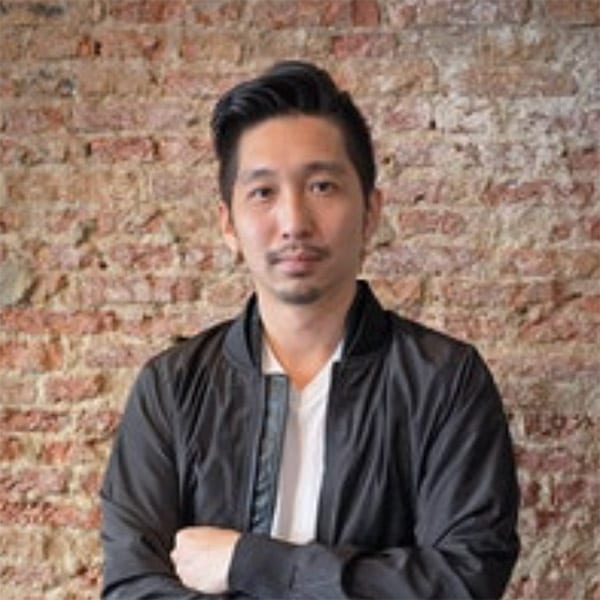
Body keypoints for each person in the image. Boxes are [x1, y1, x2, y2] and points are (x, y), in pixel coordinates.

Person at [100, 60, 520, 599]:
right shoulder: (172, 388)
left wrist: (252, 562)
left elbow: (464, 581)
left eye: (322, 186)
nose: (294, 221)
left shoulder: (445, 381)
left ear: (370, 212)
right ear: (229, 225)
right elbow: (134, 586)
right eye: (263, 192)